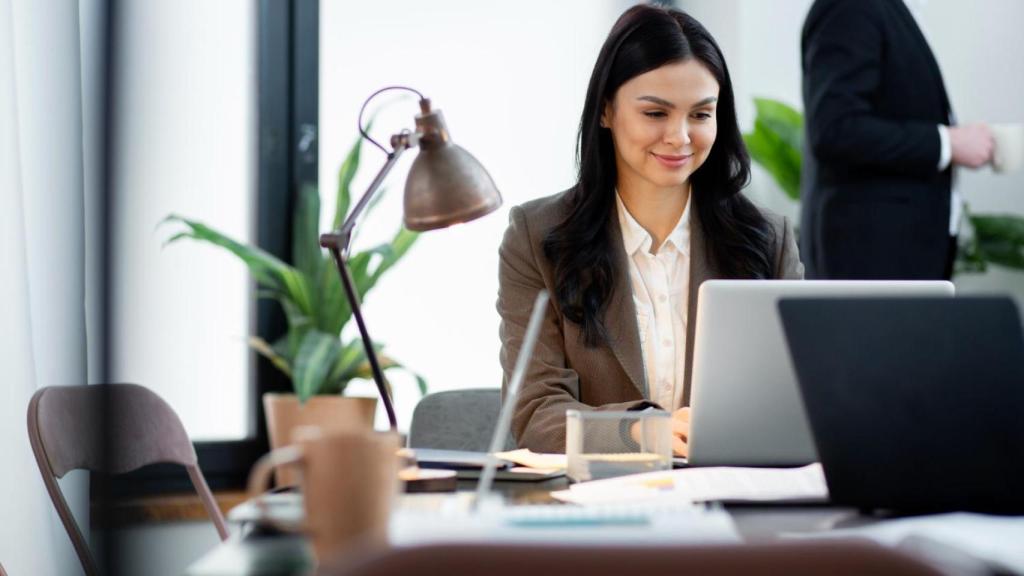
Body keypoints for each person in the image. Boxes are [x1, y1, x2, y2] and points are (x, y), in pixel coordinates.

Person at [496, 5, 803, 457]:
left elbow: (794, 398)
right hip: (599, 509)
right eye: (656, 113)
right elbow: (534, 414)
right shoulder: (537, 237)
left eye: (701, 115)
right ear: (606, 111)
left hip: (730, 498)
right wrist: (643, 432)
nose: (680, 136)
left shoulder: (767, 237)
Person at [800, 0, 994, 280]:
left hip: (895, 253)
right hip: (869, 257)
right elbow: (836, 129)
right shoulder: (850, 7)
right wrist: (947, 143)